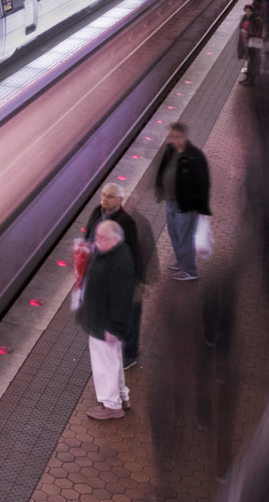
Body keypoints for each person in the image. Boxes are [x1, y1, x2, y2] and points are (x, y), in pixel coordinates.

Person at [82, 182, 148, 367]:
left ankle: (129, 354)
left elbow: (135, 251)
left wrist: (138, 280)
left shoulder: (126, 222)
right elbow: (89, 236)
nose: (104, 199)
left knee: (129, 316)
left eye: (109, 196)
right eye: (103, 194)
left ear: (120, 200)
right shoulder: (97, 212)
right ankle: (109, 348)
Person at [77, 220, 136, 420]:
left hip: (105, 325)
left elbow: (121, 299)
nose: (96, 240)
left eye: (101, 238)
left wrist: (112, 327)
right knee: (114, 361)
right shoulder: (113, 252)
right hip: (102, 321)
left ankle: (112, 406)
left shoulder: (119, 263)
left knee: (105, 364)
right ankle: (122, 396)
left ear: (114, 239)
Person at [153, 123, 212, 281]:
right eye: (172, 136)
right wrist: (160, 189)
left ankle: (190, 271)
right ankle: (181, 262)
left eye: (177, 136)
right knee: (174, 234)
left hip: (186, 205)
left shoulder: (194, 155)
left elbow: (203, 183)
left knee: (185, 236)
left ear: (185, 136)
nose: (173, 139)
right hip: (171, 201)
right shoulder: (170, 151)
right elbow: (162, 170)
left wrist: (202, 208)